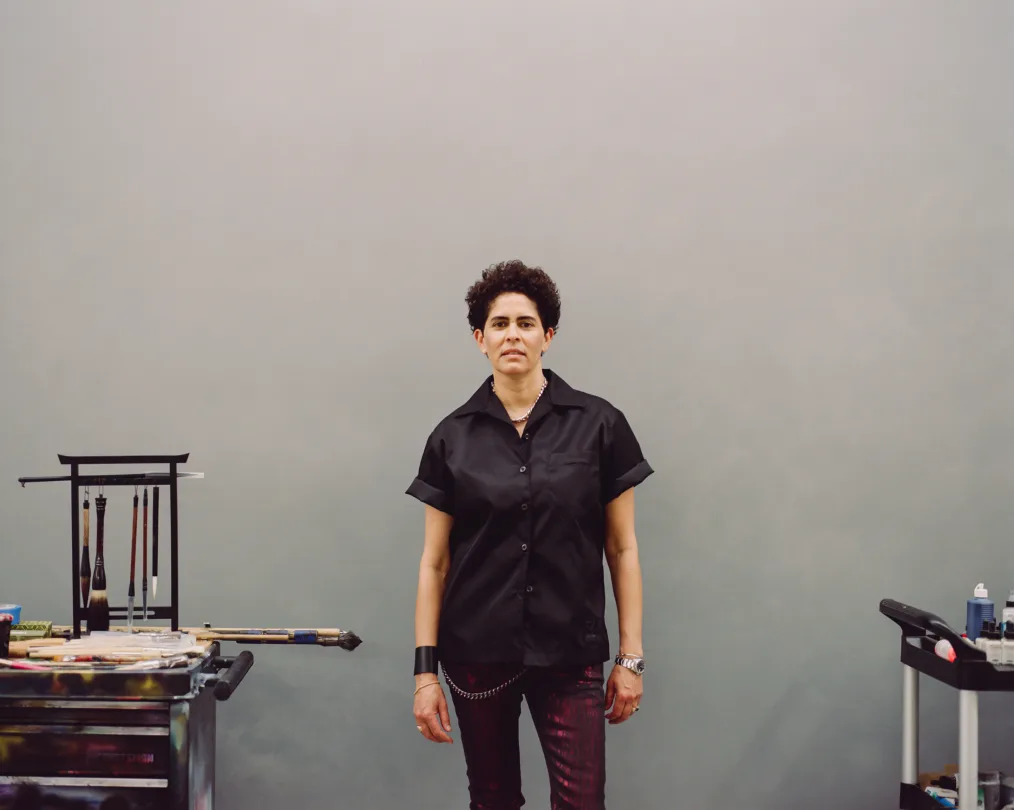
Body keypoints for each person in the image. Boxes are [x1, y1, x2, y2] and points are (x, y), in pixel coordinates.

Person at [407, 260, 653, 810]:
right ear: (479, 338)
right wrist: (425, 673)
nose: (512, 334)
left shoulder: (600, 425)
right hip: (476, 653)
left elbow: (623, 548)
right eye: (498, 324)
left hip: (571, 651)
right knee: (492, 799)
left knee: (582, 801)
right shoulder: (451, 438)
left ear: (548, 335)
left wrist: (631, 659)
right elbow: (434, 564)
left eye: (525, 322)